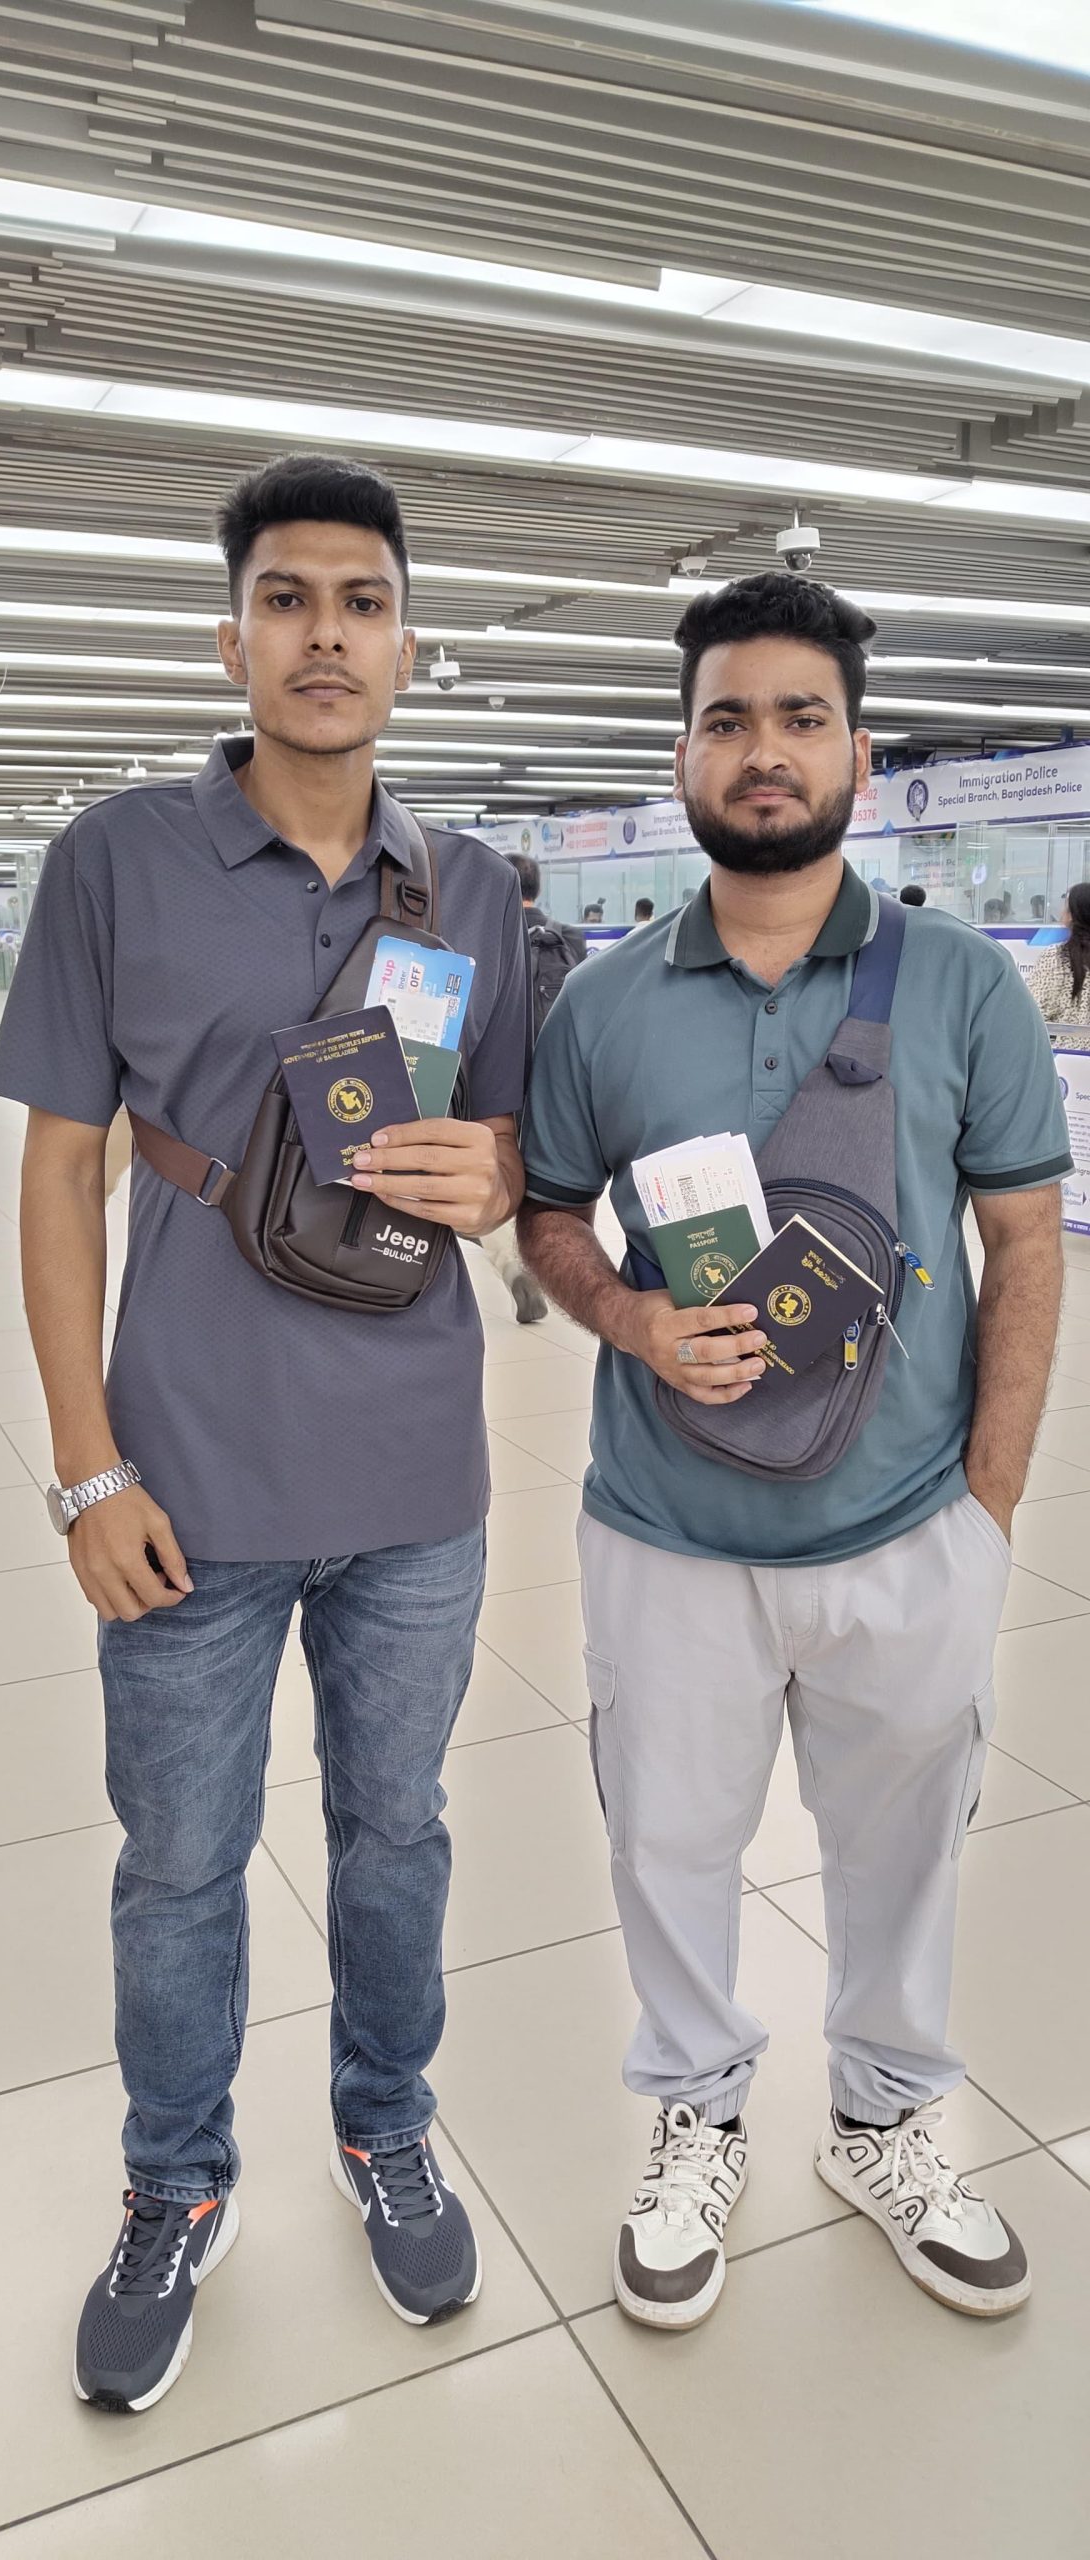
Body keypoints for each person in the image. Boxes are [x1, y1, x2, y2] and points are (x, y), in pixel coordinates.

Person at [0, 454, 532, 2410]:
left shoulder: (475, 888)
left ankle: (387, 2126)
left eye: (363, 601)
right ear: (232, 639)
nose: (326, 633)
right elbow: (60, 1177)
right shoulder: (114, 861)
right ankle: (176, 2179)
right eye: (287, 598)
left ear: (407, 645)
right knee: (180, 1864)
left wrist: (491, 1176)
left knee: (399, 1832)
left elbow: (515, 1159)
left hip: (416, 1480)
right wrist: (86, 1466)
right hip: (186, 1484)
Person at [518, 570, 1069, 2332]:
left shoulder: (965, 986)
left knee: (902, 1852)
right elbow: (547, 1218)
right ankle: (696, 2110)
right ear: (683, 753)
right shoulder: (605, 1005)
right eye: (728, 719)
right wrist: (631, 1319)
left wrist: (987, 1509)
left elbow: (1026, 1243)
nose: (764, 751)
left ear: (859, 754)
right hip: (665, 1532)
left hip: (908, 1528)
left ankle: (887, 2122)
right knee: (667, 1844)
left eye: (801, 719)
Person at [482, 854, 585, 1323]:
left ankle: (512, 1265)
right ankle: (544, 1261)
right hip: (557, 1080)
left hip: (498, 1081)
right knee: (549, 1183)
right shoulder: (568, 937)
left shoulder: (488, 935)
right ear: (537, 889)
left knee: (494, 1177)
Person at [1025, 883, 1090, 1049]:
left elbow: (1033, 1011)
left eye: (1066, 906)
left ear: (1073, 914)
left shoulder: (1056, 957)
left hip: (1069, 1056)